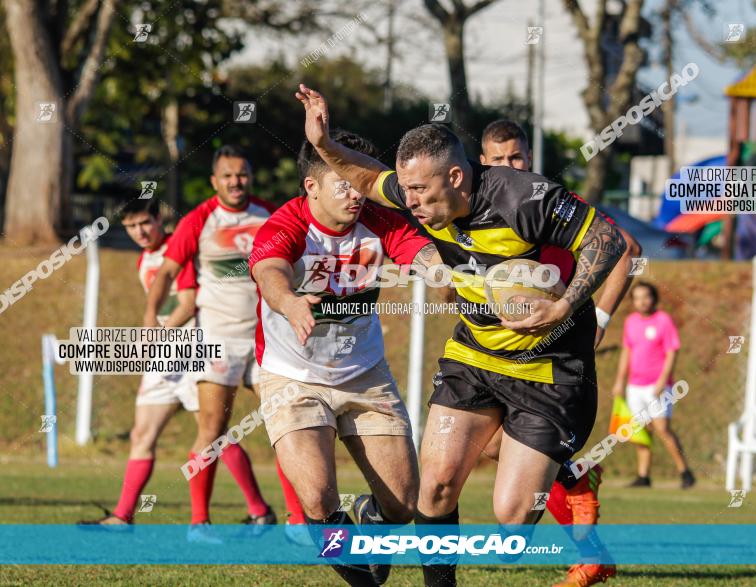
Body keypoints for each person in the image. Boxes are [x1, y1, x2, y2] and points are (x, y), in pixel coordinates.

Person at [297, 85, 626, 586]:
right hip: (473, 359)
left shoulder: (523, 199)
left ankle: (563, 474)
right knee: (437, 485)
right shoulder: (420, 193)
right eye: (405, 192)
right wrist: (322, 144)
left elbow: (608, 238)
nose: (409, 204)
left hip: (549, 372)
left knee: (511, 524)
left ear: (456, 177)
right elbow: (365, 175)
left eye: (420, 194)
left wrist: (563, 303)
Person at [251, 130, 439, 586]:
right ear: (311, 186)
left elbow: (422, 251)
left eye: (359, 182)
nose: (356, 194)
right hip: (291, 375)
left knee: (402, 505)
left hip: (364, 374)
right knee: (317, 498)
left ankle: (371, 520)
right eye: (342, 184)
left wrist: (440, 271)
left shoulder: (380, 220)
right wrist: (291, 302)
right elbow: (268, 269)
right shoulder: (286, 224)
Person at [480, 119, 641, 587]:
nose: (510, 167)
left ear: (529, 158)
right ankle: (578, 487)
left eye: (517, 158)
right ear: (483, 164)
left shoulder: (545, 202)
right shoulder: (479, 211)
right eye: (498, 160)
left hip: (555, 353)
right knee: (491, 443)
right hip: (500, 349)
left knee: (528, 452)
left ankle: (590, 553)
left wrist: (601, 318)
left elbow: (625, 250)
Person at [145, 145, 305, 541]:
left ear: (251, 177)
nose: (237, 182)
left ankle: (299, 522)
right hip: (216, 339)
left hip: (268, 338)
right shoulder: (200, 218)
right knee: (213, 430)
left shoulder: (271, 214)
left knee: (287, 425)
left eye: (243, 174)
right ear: (215, 181)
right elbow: (167, 272)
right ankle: (199, 523)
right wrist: (152, 319)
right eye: (229, 176)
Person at [77, 199, 269, 527]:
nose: (139, 232)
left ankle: (258, 511)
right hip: (164, 356)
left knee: (216, 437)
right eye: (131, 227)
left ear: (159, 218)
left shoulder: (177, 251)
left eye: (145, 223)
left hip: (191, 350)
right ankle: (123, 517)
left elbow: (188, 303)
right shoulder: (144, 258)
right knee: (142, 434)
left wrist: (156, 334)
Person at [611, 281, 694, 489]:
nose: (642, 301)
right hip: (634, 386)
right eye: (637, 298)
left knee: (662, 428)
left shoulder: (663, 321)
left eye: (646, 297)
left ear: (654, 298)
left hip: (657, 386)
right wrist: (620, 381)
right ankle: (643, 476)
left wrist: (662, 381)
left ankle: (685, 472)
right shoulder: (630, 322)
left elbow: (672, 351)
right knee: (641, 430)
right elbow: (627, 352)